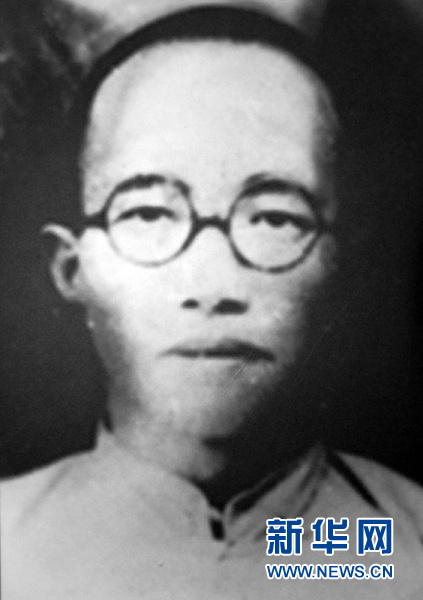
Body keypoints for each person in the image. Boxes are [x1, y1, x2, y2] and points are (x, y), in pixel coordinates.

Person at [2, 6, 423, 599]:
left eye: (274, 218)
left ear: (341, 265)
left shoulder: (401, 546)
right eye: (148, 212)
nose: (212, 285)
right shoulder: (9, 548)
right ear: (72, 268)